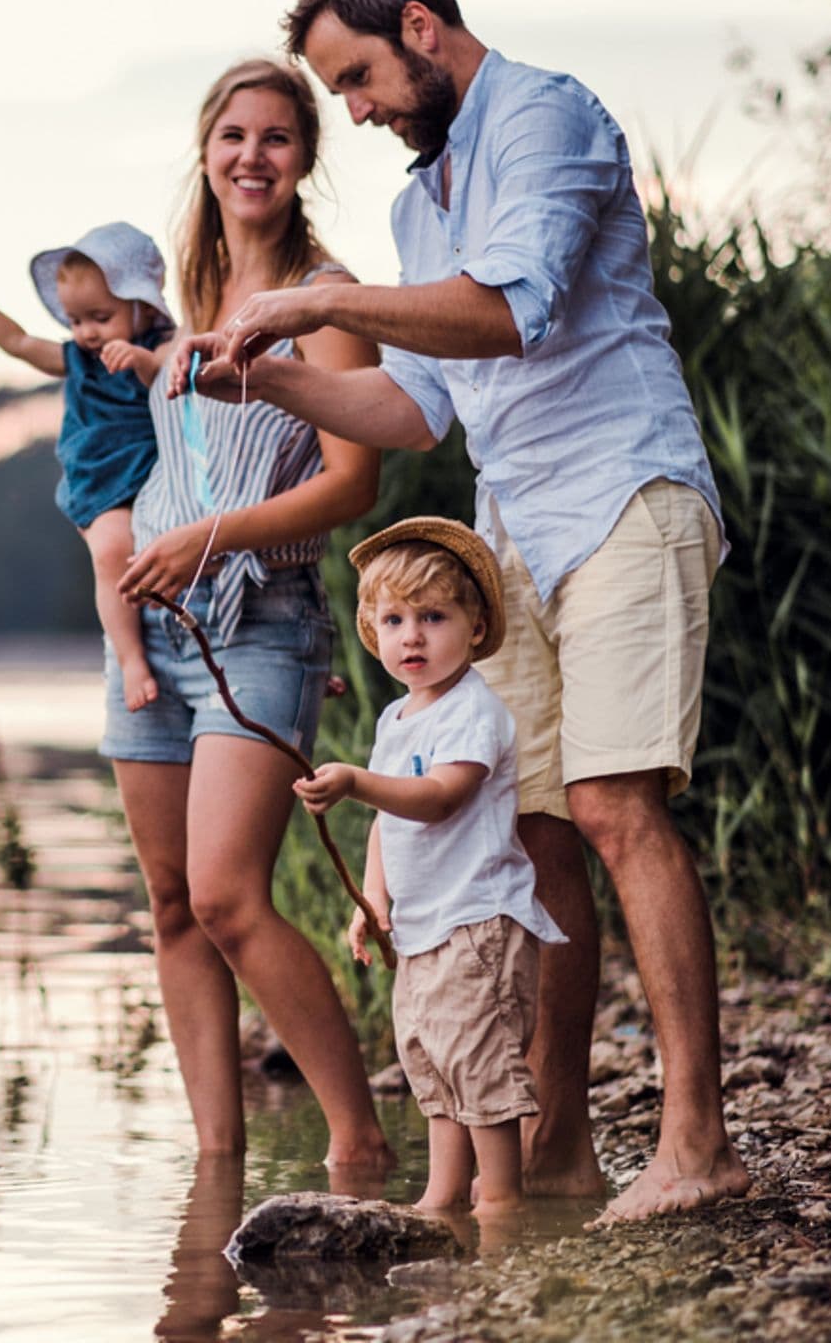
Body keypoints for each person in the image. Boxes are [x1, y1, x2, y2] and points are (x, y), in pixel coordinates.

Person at [174, 0, 750, 1223]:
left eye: (357, 78)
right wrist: (264, 376)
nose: (355, 109)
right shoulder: (416, 210)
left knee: (609, 804)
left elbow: (508, 310)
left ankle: (696, 1143)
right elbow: (413, 407)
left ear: (420, 27)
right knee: (528, 831)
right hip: (510, 530)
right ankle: (556, 1150)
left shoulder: (546, 117)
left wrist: (313, 305)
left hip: (621, 491)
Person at [107, 58, 389, 1169]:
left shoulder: (327, 301)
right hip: (150, 629)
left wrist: (211, 537)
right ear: (206, 150)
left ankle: (358, 1143)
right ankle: (215, 1170)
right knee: (172, 903)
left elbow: (354, 482)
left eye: (276, 136)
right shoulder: (185, 304)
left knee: (228, 896)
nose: (251, 156)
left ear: (305, 157)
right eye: (233, 135)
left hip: (262, 621)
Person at [295, 517, 564, 1217]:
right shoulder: (396, 719)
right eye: (394, 620)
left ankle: (500, 1200)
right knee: (434, 1060)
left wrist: (355, 781)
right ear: (373, 631)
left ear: (476, 628)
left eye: (433, 617)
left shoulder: (473, 710)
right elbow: (388, 824)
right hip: (422, 929)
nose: (412, 636)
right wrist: (372, 898)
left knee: (480, 1063)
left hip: (477, 923)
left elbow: (441, 797)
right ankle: (442, 1196)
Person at [0, 221, 173, 711]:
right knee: (112, 552)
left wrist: (140, 360)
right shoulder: (77, 359)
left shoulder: (162, 347)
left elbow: (171, 376)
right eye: (75, 320)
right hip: (103, 482)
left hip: (159, 477)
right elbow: (20, 342)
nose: (87, 332)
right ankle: (131, 658)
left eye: (101, 317)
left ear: (144, 306)